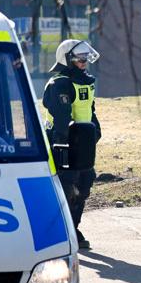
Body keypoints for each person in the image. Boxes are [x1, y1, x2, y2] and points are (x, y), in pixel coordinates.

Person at [43, 39, 102, 252]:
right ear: (68, 59)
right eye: (80, 58)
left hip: (82, 141)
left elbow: (89, 109)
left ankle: (73, 228)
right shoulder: (60, 83)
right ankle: (63, 232)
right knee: (67, 186)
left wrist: (95, 128)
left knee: (85, 183)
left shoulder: (86, 81)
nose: (84, 61)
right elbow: (61, 117)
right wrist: (63, 146)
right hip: (63, 142)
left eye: (86, 57)